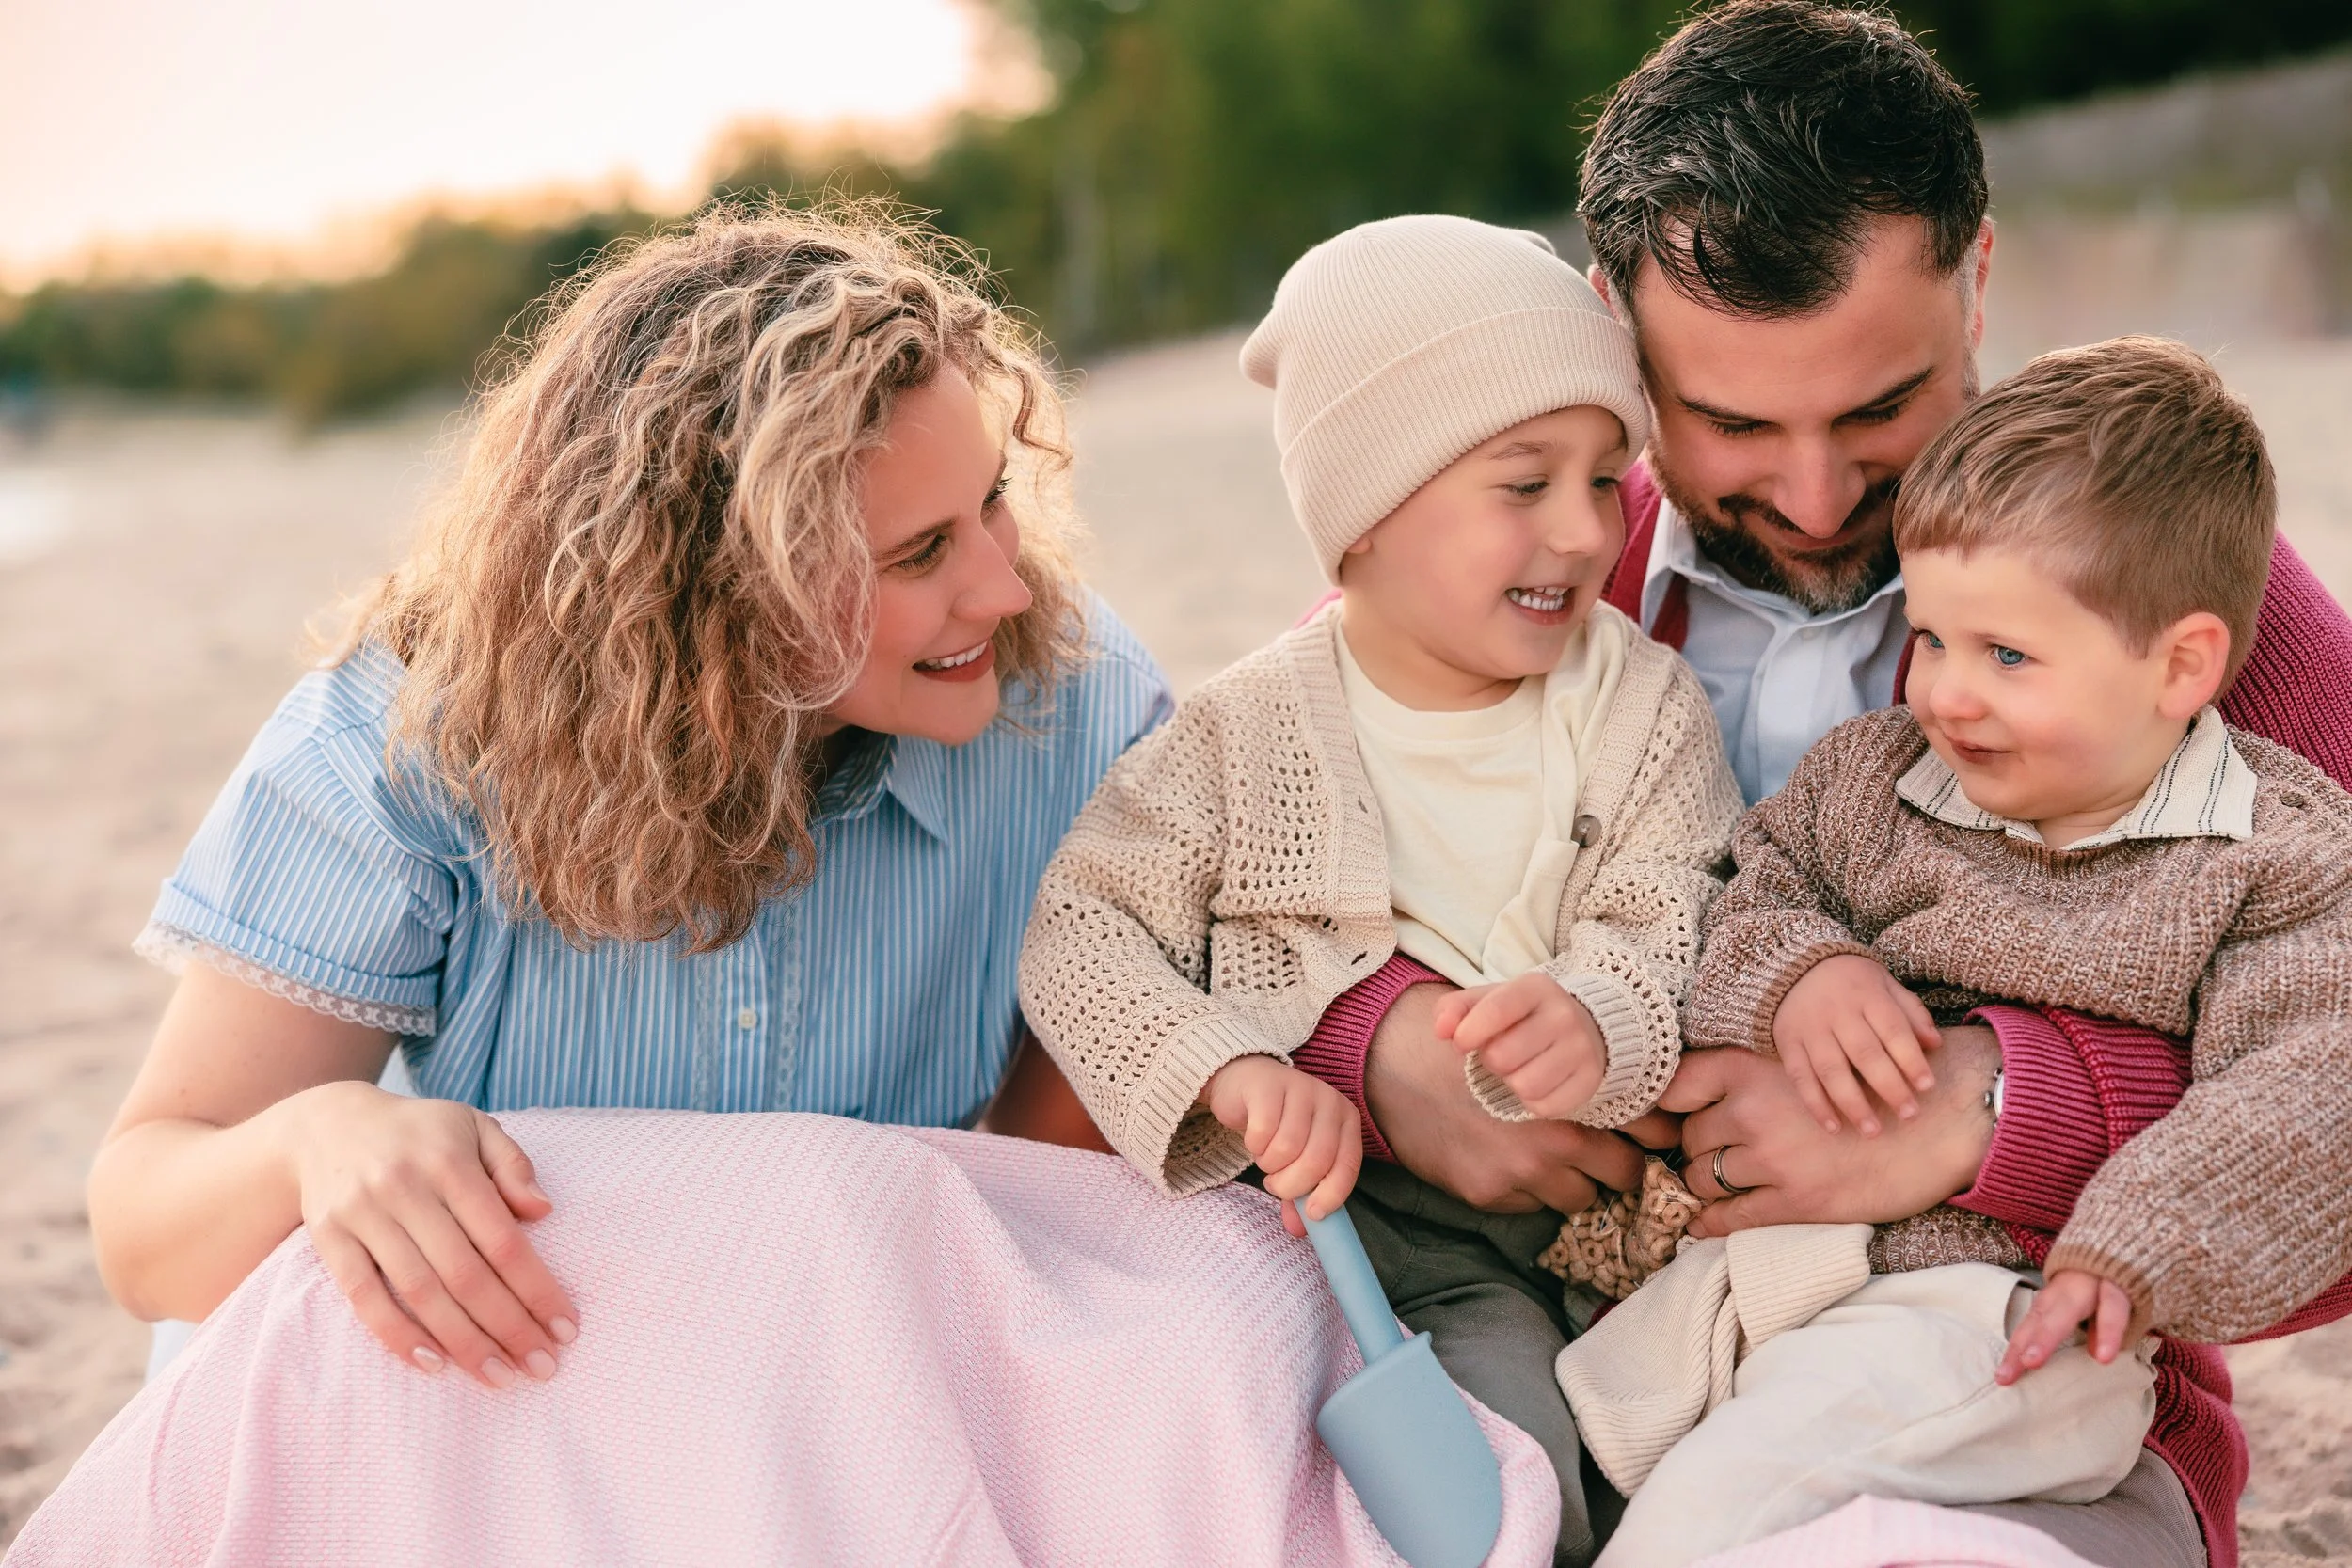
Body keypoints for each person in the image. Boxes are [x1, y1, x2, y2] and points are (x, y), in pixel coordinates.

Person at [1287, 6, 2352, 1565]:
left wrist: (1989, 1110)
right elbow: (1230, 869)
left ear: (1978, 277)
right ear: (1611, 328)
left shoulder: (2176, 604)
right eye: (1727, 423)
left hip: (1994, 1408)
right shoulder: (1481, 562)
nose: (1808, 491)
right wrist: (1386, 1059)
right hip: (1561, 1339)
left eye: (1875, 414)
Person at [84, 204, 1170, 1392]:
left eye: (995, 499)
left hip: (856, 1358)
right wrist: (316, 1139)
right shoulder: (408, 741)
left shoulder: (1084, 709)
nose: (1006, 588)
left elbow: (1059, 1193)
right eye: (918, 554)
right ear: (717, 586)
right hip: (521, 1371)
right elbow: (145, 1232)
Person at [1019, 214, 1740, 1566]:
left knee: (1719, 1454)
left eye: (1605, 476)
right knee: (1494, 1457)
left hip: (1638, 1221)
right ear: (1364, 515)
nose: (1589, 531)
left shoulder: (1640, 703)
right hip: (1392, 1236)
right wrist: (1229, 1066)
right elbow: (1081, 929)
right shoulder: (1245, 737)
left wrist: (1601, 1015)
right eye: (1525, 484)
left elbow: (1680, 901)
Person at [1559, 336, 2352, 1564]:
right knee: (1606, 1446)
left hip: (2022, 1320)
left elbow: (2307, 1085)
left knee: (1713, 1505)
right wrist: (1804, 970)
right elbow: (1758, 890)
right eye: (1929, 638)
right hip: (1799, 1287)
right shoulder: (1877, 783)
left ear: (2182, 662)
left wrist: (2141, 1232)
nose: (1946, 695)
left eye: (2007, 656)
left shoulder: (2264, 856)